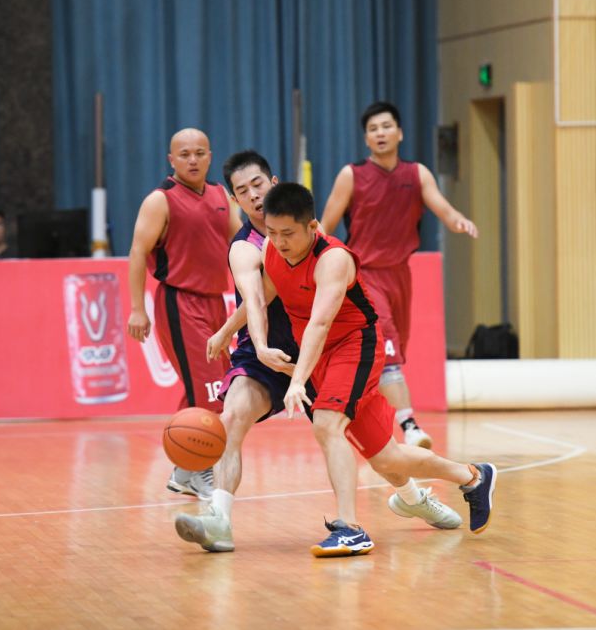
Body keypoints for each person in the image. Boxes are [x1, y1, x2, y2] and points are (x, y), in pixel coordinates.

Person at [176, 151, 465, 555]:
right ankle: (218, 521)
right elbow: (255, 300)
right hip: (266, 356)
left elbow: (323, 314)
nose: (253, 196)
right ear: (234, 199)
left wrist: (231, 332)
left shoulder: (310, 235)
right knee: (233, 417)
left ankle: (414, 497)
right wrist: (254, 343)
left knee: (377, 451)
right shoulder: (245, 248)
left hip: (318, 353)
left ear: (273, 184)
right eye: (242, 191)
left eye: (257, 185)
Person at [254, 183, 496, 556]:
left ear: (313, 226)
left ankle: (349, 528)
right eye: (271, 232)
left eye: (287, 233)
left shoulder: (333, 259)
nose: (278, 241)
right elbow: (262, 297)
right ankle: (473, 477)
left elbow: (320, 323)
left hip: (354, 347)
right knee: (387, 458)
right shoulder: (271, 250)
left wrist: (297, 379)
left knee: (327, 424)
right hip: (321, 355)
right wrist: (227, 332)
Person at [320, 100, 479, 449]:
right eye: (373, 129)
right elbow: (325, 227)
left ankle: (362, 420)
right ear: (366, 138)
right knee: (388, 349)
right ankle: (410, 426)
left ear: (400, 133)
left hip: (400, 276)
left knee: (386, 357)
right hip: (364, 276)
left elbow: (444, 209)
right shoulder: (351, 175)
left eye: (386, 126)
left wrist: (459, 222)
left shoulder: (417, 174)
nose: (380, 133)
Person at [127, 128, 242, 500]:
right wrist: (137, 309)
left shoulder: (221, 195)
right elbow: (136, 253)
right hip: (179, 302)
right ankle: (199, 470)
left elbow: (241, 242)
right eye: (185, 154)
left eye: (199, 153)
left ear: (210, 156)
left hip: (215, 303)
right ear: (171, 159)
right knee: (210, 392)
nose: (192, 160)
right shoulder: (160, 200)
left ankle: (184, 469)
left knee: (216, 388)